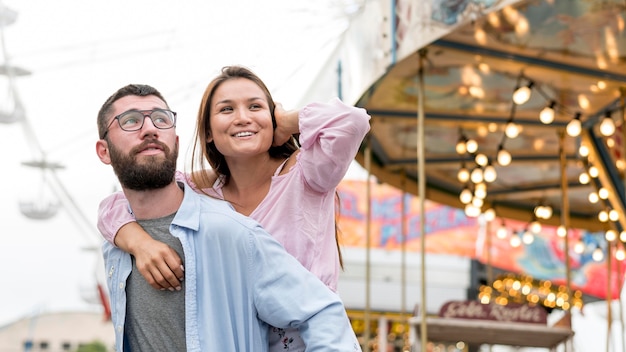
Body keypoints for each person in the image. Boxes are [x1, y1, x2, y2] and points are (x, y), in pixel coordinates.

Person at [98, 65, 371, 350]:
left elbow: (352, 121)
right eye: (227, 110)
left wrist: (288, 122)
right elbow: (123, 201)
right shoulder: (201, 191)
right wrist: (140, 244)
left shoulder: (306, 175)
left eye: (255, 107)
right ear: (208, 133)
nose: (242, 118)